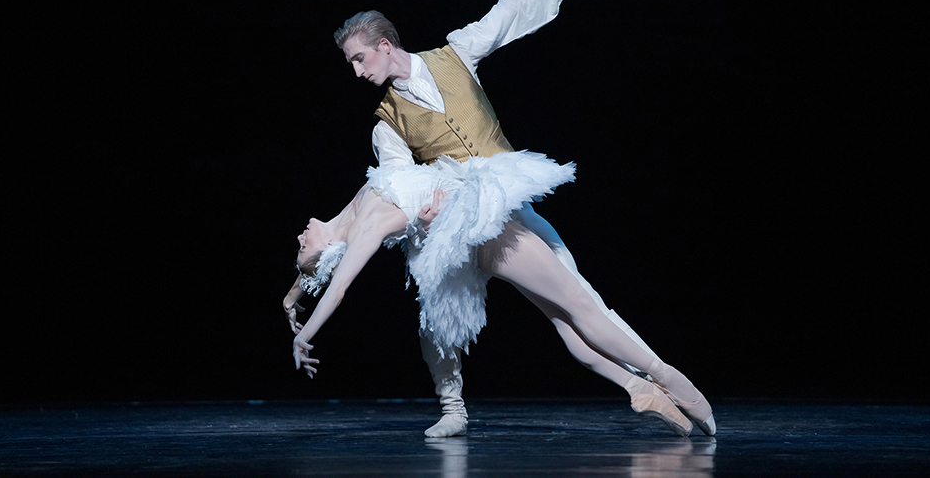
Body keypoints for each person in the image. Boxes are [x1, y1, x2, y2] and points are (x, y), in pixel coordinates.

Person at [313, 0, 716, 438]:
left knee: (573, 313)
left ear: (386, 45)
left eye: (359, 58)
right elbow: (397, 182)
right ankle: (453, 407)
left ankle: (643, 386)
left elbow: (509, 11)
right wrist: (424, 206)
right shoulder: (386, 124)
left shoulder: (456, 53)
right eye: (350, 63)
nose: (356, 71)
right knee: (437, 313)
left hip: (504, 198)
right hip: (459, 222)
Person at [281, 151, 716, 437]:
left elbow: (318, 270)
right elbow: (337, 285)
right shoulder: (364, 230)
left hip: (468, 235)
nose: (300, 235)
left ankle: (641, 389)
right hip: (481, 235)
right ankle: (667, 377)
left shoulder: (351, 212)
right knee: (580, 307)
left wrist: (292, 297)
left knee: (568, 323)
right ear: (326, 250)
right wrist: (305, 335)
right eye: (303, 246)